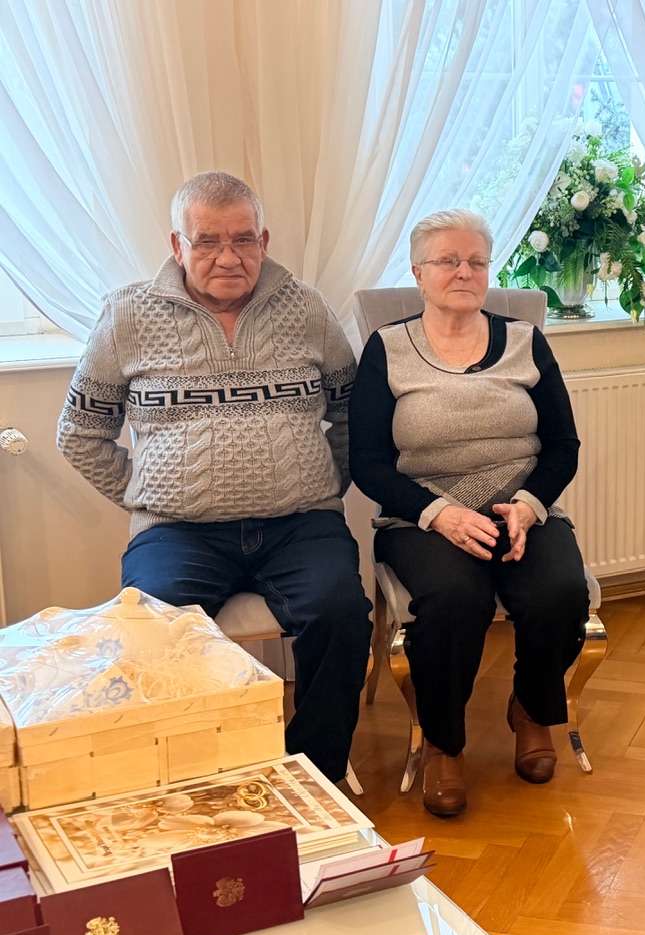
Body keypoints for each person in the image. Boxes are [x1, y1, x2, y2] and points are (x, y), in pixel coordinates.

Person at [57, 171, 372, 785]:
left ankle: (314, 775)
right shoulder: (127, 316)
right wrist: (147, 492)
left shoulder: (307, 308)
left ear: (264, 241)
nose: (228, 258)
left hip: (301, 525)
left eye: (243, 239)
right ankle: (198, 776)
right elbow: (80, 433)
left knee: (340, 614)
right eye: (207, 241)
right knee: (155, 634)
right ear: (177, 246)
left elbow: (350, 412)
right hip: (178, 532)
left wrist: (319, 484)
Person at [349, 208, 587, 819]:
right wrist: (441, 514)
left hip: (520, 507)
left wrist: (529, 506)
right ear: (418, 272)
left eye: (477, 261)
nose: (464, 272)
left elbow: (563, 445)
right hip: (422, 515)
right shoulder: (387, 348)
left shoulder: (525, 341)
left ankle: (532, 711)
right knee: (456, 600)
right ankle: (445, 743)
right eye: (448, 261)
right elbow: (368, 464)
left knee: (560, 592)